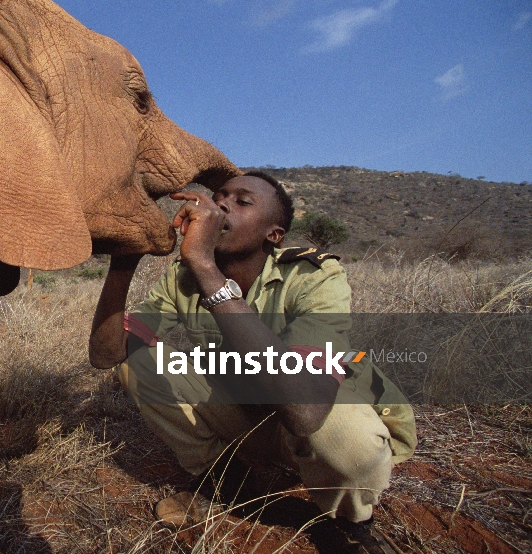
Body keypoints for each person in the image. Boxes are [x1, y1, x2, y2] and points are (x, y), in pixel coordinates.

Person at [89, 171, 416, 553]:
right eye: (219, 196)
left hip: (313, 424)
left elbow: (306, 412)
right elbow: (106, 355)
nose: (220, 205)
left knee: (347, 438)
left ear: (273, 235)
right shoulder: (184, 277)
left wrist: (206, 268)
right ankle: (231, 483)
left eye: (242, 202)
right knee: (139, 358)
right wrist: (124, 262)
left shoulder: (312, 276)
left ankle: (350, 523)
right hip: (249, 416)